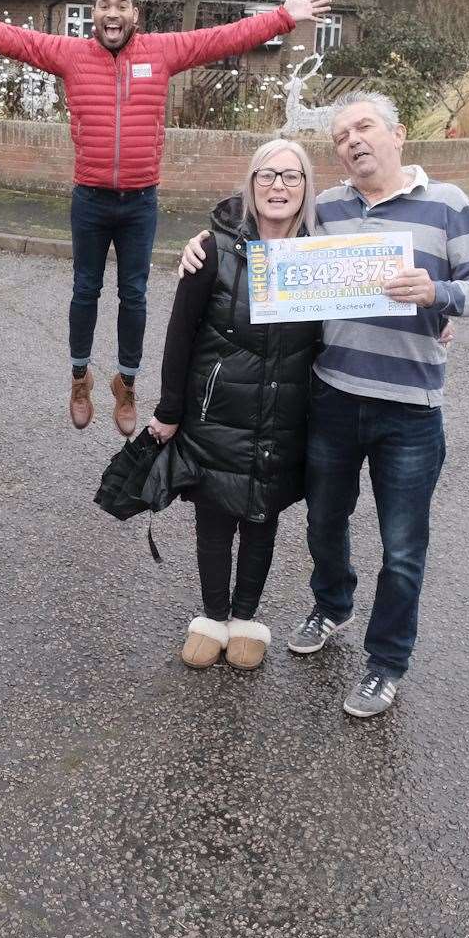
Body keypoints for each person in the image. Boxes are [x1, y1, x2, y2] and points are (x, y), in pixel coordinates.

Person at [181, 91, 469, 717]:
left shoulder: (450, 205)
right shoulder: (326, 208)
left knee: (403, 547)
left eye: (363, 128)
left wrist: (441, 294)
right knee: (324, 523)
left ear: (397, 134)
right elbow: (261, 225)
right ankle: (331, 606)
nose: (351, 141)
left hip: (410, 408)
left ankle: (385, 664)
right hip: (331, 395)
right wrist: (202, 239)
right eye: (339, 136)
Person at [0, 0, 335, 436]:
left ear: (135, 15)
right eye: (103, 6)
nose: (112, 13)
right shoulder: (70, 55)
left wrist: (282, 17)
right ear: (94, 15)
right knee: (84, 290)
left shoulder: (162, 51)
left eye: (121, 6)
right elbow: (14, 40)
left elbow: (223, 38)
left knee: (133, 295)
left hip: (140, 202)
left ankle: (126, 383)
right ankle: (80, 377)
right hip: (90, 200)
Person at [147, 139, 321, 671]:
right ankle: (212, 614)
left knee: (263, 515)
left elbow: (358, 317)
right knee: (216, 514)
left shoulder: (321, 256)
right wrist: (170, 409)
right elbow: (180, 336)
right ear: (250, 184)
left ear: (305, 189)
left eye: (291, 178)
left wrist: (433, 320)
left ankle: (246, 618)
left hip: (285, 413)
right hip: (216, 410)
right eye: (267, 176)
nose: (278, 187)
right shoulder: (213, 251)